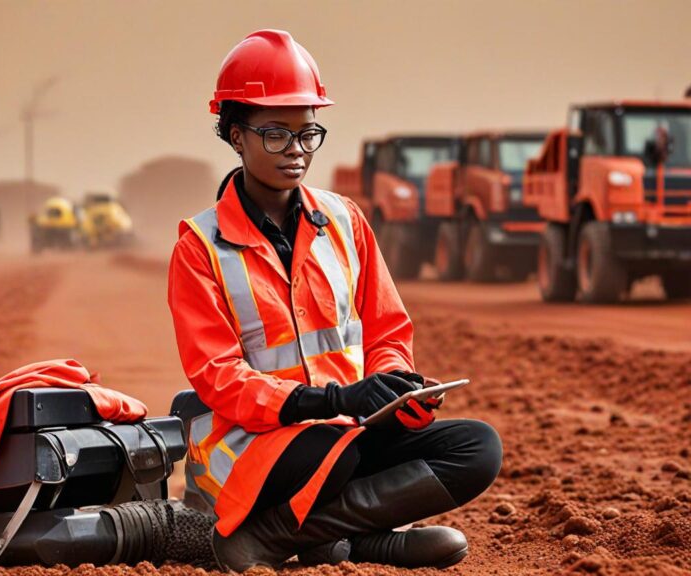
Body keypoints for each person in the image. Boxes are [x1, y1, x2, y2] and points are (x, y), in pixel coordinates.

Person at [167, 30, 502, 571]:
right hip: (260, 447)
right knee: (332, 456)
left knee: (477, 448)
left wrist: (394, 389)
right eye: (275, 134)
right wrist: (330, 402)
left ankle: (297, 538)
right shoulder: (199, 246)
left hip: (344, 429)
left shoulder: (345, 220)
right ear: (235, 135)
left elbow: (388, 332)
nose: (296, 151)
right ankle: (361, 538)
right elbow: (217, 377)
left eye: (307, 133)